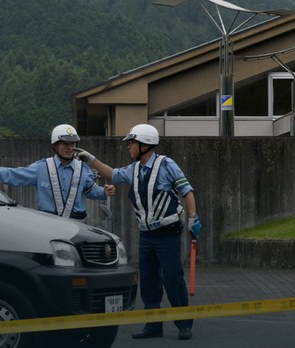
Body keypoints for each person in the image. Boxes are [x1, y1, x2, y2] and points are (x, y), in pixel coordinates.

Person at [74, 123, 201, 341]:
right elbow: (112, 175)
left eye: (131, 143)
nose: (128, 147)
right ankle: (153, 326)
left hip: (168, 232)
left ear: (144, 145)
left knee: (172, 278)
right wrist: (90, 159)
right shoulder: (133, 170)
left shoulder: (166, 164)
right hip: (146, 235)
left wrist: (193, 218)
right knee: (149, 280)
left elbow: (186, 191)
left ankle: (184, 324)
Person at [0, 124, 114, 220]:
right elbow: (13, 175)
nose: (69, 147)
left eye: (72, 144)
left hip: (79, 225)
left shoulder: (83, 168)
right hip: (49, 224)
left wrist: (104, 192)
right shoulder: (41, 168)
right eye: (65, 144)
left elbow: (91, 191)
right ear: (55, 145)